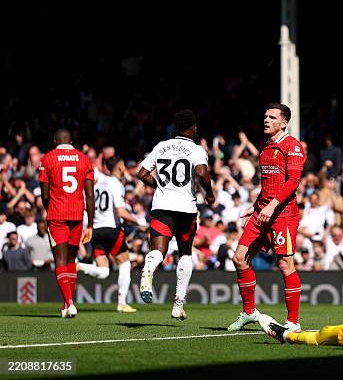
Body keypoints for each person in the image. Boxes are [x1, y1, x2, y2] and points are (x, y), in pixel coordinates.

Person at [227, 103, 306, 332]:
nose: (266, 120)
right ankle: (249, 312)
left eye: (272, 117)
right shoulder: (265, 148)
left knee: (284, 263)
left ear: (284, 123)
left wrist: (271, 206)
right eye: (265, 116)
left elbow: (292, 182)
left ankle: (293, 322)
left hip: (283, 214)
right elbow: (269, 184)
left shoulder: (293, 146)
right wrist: (256, 206)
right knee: (239, 258)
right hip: (262, 211)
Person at [137, 110, 216, 320]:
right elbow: (201, 173)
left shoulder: (161, 146)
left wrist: (159, 185)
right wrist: (210, 194)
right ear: (194, 128)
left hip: (161, 206)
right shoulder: (195, 149)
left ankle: (148, 268)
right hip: (185, 209)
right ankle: (178, 304)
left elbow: (141, 173)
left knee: (158, 252)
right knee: (185, 253)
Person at [77, 156, 145, 313]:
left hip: (96, 231)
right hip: (112, 230)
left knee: (103, 272)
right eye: (123, 166)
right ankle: (122, 302)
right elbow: (121, 212)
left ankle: (78, 266)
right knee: (125, 264)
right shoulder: (116, 184)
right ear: (120, 167)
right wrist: (138, 222)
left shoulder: (98, 183)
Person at [39, 128, 95, 318]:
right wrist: (91, 225)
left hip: (57, 215)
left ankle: (69, 303)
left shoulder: (47, 159)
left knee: (61, 261)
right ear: (71, 141)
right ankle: (67, 304)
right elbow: (89, 196)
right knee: (72, 260)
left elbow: (45, 194)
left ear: (55, 141)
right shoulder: (85, 159)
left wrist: (50, 210)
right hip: (77, 215)